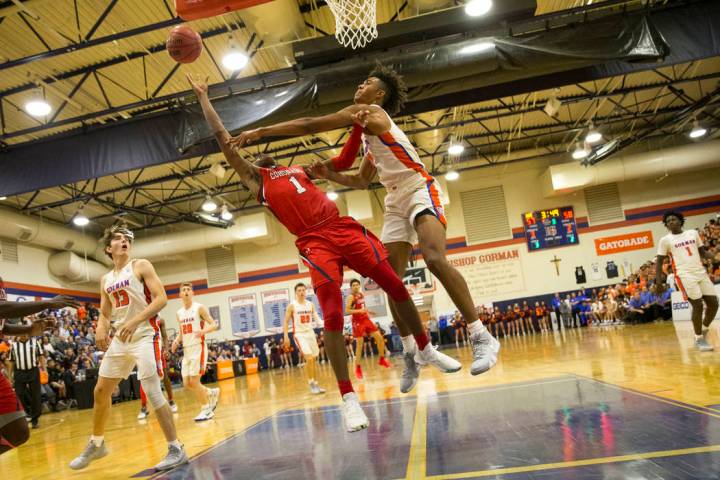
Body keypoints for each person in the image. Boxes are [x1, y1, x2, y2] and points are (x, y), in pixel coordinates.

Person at [187, 73, 459, 432]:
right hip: (314, 242)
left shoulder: (297, 170)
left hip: (341, 226)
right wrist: (205, 98)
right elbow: (225, 142)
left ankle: (423, 348)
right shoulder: (258, 179)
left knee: (395, 283)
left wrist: (349, 146)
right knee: (332, 315)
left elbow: (345, 163)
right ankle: (348, 398)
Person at [230, 63, 500, 377]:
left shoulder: (373, 113)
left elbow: (309, 124)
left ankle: (481, 336)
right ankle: (412, 352)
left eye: (367, 81)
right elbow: (359, 180)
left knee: (433, 257)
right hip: (395, 199)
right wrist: (328, 174)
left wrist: (261, 131)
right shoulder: (371, 138)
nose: (361, 85)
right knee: (392, 280)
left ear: (380, 94)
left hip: (418, 187)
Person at [69, 225, 187, 471]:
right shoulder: (105, 279)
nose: (124, 241)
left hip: (145, 334)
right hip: (122, 338)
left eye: (127, 239)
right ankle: (97, 443)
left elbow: (161, 298)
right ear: (108, 248)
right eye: (118, 239)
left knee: (151, 388)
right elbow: (105, 311)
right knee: (101, 390)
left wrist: (134, 321)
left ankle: (176, 448)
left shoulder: (141, 265)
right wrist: (100, 327)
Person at [0, 289, 71, 455]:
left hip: (31, 371)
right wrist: (48, 303)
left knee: (18, 432)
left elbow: (3, 325)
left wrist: (28, 329)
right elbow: (3, 308)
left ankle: (36, 418)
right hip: (19, 372)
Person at [656, 211, 719, 351]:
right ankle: (699, 339)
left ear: (680, 221)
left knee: (714, 304)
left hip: (700, 272)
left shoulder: (693, 233)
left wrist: (714, 257)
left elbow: (702, 252)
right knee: (697, 305)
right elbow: (659, 262)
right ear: (666, 225)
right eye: (668, 221)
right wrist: (659, 282)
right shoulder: (665, 240)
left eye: (674, 219)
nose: (671, 222)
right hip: (683, 275)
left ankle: (702, 329)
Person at [171, 283, 219, 421]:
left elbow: (214, 324)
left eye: (188, 290)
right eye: (183, 290)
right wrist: (176, 341)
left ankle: (206, 409)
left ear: (192, 293)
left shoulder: (199, 308)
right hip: (187, 350)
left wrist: (203, 331)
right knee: (187, 384)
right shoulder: (179, 313)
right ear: (180, 295)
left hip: (198, 347)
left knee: (194, 381)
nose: (186, 292)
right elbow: (181, 332)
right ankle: (210, 392)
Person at [283, 283, 326, 394]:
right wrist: (285, 335)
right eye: (299, 290)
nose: (302, 292)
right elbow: (286, 321)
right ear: (296, 292)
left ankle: (316, 384)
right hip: (299, 334)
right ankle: (311, 383)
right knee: (309, 359)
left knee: (314, 360)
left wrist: (327, 322)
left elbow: (318, 320)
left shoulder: (310, 304)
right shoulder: (292, 306)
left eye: (303, 290)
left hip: (310, 333)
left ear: (305, 291)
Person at [346, 279, 391, 380]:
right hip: (357, 321)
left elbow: (363, 308)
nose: (356, 286)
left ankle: (382, 359)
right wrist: (360, 311)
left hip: (365, 319)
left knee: (379, 337)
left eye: (357, 284)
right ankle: (357, 368)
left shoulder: (361, 295)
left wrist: (369, 312)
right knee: (359, 344)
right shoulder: (350, 297)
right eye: (353, 285)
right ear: (351, 287)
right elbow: (347, 310)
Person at [138, 315, 178, 420]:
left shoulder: (160, 319)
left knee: (165, 377)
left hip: (157, 350)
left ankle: (171, 400)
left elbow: (164, 336)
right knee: (143, 378)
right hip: (143, 350)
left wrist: (166, 349)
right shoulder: (140, 317)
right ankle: (143, 407)